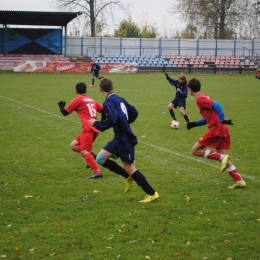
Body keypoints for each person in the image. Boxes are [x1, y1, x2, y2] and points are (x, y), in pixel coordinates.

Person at [89, 77, 159, 203]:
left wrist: (96, 123)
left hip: (124, 139)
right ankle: (127, 177)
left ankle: (152, 193)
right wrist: (125, 122)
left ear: (100, 89)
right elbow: (134, 112)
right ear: (113, 87)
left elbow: (111, 121)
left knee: (130, 168)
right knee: (100, 158)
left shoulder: (108, 103)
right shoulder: (120, 99)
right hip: (118, 137)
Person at [186, 78, 246, 189]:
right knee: (223, 156)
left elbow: (216, 105)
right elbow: (207, 118)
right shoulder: (203, 97)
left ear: (190, 89)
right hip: (222, 129)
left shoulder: (200, 99)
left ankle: (221, 158)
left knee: (195, 150)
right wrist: (194, 124)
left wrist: (222, 118)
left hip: (216, 130)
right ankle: (239, 181)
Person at [58, 82, 104, 178]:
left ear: (76, 91)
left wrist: (61, 106)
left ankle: (97, 172)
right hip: (93, 128)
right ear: (86, 91)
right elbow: (103, 109)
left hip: (88, 129)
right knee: (73, 145)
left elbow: (65, 113)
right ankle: (90, 157)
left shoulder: (78, 100)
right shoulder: (91, 100)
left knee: (84, 151)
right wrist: (101, 123)